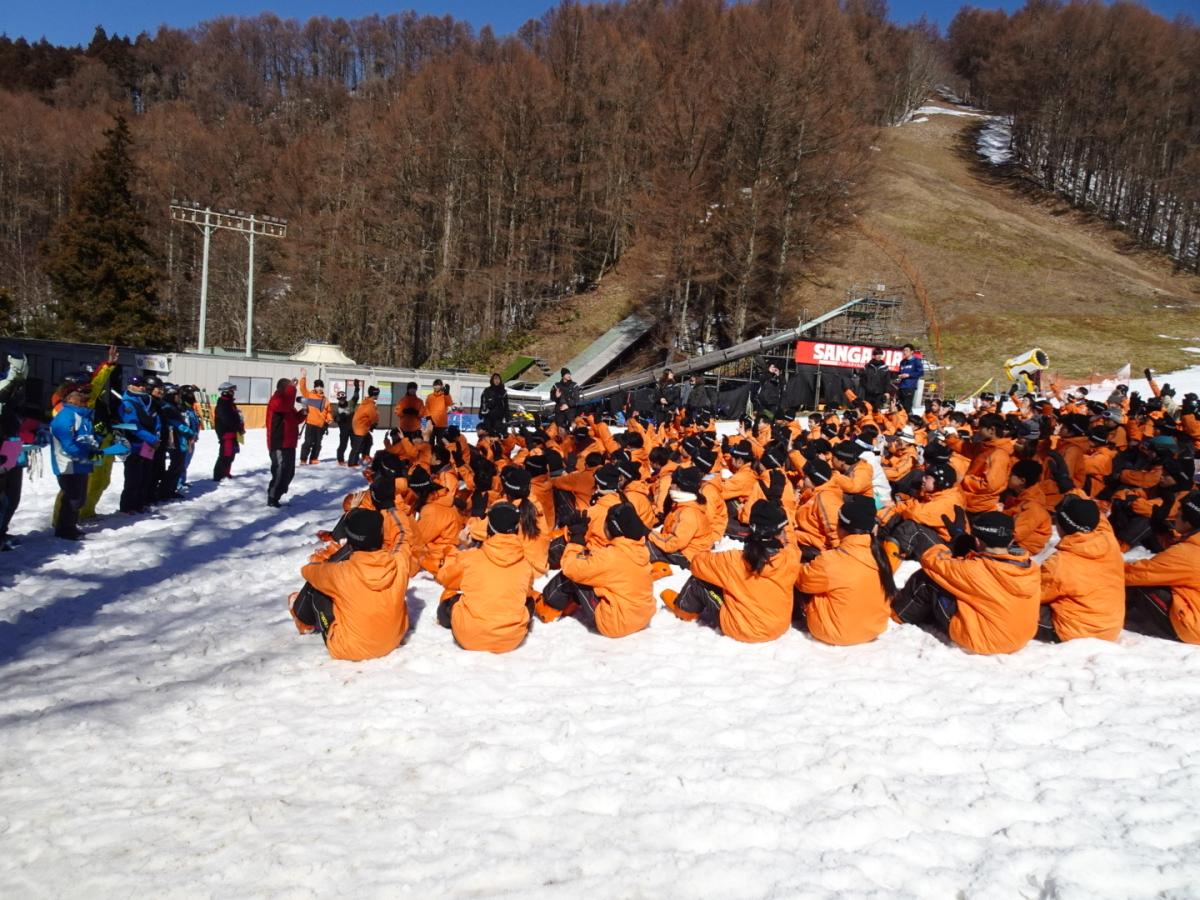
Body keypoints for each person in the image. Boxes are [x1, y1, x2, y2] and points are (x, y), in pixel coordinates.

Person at [892, 510, 1041, 654]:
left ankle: (900, 613)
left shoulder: (974, 570)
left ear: (976, 540)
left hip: (984, 640)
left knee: (930, 577)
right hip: (1020, 637)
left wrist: (952, 545)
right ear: (1011, 540)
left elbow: (933, 562)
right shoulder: (1030, 567)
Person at [661, 500, 801, 643]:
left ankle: (683, 610)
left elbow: (697, 564)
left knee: (699, 580)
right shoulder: (791, 557)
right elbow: (791, 542)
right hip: (778, 627)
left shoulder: (735, 561)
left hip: (743, 629)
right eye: (783, 530)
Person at [289, 508, 413, 661]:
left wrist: (331, 562)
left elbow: (307, 571)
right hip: (394, 638)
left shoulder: (340, 573)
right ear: (381, 537)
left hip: (350, 648)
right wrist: (391, 507)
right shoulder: (399, 562)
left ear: (350, 543)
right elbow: (404, 537)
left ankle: (303, 620)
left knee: (317, 587)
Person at [537, 503, 656, 638]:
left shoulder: (610, 558)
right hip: (642, 617)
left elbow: (571, 567)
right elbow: (598, 557)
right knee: (588, 570)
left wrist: (576, 539)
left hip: (616, 623)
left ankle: (548, 607)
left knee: (574, 576)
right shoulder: (638, 550)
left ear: (612, 529)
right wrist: (582, 544)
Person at [796, 495, 897, 645]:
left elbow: (802, 581)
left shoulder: (832, 560)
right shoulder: (880, 555)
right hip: (874, 628)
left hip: (836, 633)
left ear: (840, 527)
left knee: (808, 579)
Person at [435, 503, 535, 653]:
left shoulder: (471, 557)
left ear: (488, 528)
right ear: (517, 529)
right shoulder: (525, 564)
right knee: (528, 601)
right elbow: (525, 592)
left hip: (469, 636)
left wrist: (460, 549)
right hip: (510, 640)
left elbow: (445, 578)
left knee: (449, 601)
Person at [1037, 495, 1124, 642]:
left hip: (1078, 632)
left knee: (1011, 604)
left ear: (1062, 525)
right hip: (1110, 629)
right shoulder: (1109, 540)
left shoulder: (1060, 563)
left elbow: (1034, 593)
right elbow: (1098, 519)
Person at [1123, 491, 1200, 643]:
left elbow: (1138, 574)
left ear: (1190, 520)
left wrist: (1102, 567)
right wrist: (1162, 531)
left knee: (1140, 585)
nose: (1175, 515)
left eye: (1180, 511)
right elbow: (1179, 555)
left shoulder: (1187, 554)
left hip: (1193, 625)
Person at [50, 382, 124, 540]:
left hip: (83, 463)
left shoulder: (85, 416)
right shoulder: (65, 416)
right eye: (81, 395)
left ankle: (70, 525)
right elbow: (69, 444)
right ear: (70, 399)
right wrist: (89, 453)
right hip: (67, 464)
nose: (86, 398)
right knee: (73, 497)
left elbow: (92, 434)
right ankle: (64, 529)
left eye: (87, 395)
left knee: (80, 498)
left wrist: (102, 434)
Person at [117, 374, 160, 514]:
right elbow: (132, 426)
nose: (141, 387)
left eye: (143, 385)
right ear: (130, 386)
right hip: (134, 443)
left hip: (148, 444)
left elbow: (155, 418)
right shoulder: (127, 403)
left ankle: (139, 503)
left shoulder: (146, 400)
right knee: (133, 477)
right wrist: (152, 439)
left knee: (145, 475)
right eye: (137, 385)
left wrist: (157, 434)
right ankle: (127, 506)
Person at [0, 349, 29, 550]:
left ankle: (2, 530)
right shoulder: (6, 385)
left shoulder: (16, 388)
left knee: (12, 495)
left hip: (12, 444)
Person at [266, 378, 305, 508]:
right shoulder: (276, 400)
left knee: (289, 472)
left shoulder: (287, 404)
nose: (292, 390)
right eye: (289, 387)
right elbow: (283, 406)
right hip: (278, 443)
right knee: (280, 471)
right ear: (283, 388)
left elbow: (295, 420)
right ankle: (272, 498)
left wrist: (303, 413)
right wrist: (292, 388)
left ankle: (278, 495)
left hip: (289, 443)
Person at [297, 369, 333, 464]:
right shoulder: (309, 395)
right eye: (317, 386)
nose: (319, 388)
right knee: (308, 442)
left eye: (321, 386)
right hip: (310, 423)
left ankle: (313, 458)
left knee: (317, 443)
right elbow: (302, 388)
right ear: (315, 387)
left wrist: (329, 419)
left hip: (321, 425)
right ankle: (303, 459)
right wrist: (303, 377)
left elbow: (328, 411)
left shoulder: (325, 400)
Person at [213, 382, 244, 481]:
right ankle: (218, 475)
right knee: (225, 455)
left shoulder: (230, 403)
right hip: (226, 434)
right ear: (225, 392)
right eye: (231, 391)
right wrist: (237, 426)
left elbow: (234, 417)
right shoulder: (222, 404)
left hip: (233, 433)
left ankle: (226, 472)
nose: (233, 393)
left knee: (231, 455)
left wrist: (240, 426)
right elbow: (227, 419)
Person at [349, 385, 380, 467]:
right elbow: (373, 416)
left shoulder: (367, 402)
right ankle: (352, 463)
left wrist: (371, 424)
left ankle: (365, 455)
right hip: (360, 427)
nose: (378, 396)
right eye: (377, 394)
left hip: (361, 426)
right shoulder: (370, 404)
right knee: (357, 447)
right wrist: (374, 423)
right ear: (375, 394)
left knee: (369, 440)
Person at [333, 380, 360, 465]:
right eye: (340, 399)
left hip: (352, 428)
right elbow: (335, 419)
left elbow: (355, 397)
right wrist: (340, 418)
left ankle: (354, 460)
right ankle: (340, 460)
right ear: (338, 399)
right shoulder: (336, 409)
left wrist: (357, 388)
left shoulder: (350, 404)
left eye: (343, 399)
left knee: (354, 445)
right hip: (343, 430)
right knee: (343, 445)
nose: (342, 400)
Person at [896, 344, 924, 413]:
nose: (904, 352)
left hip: (910, 387)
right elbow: (900, 372)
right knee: (899, 406)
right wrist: (899, 376)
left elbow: (921, 373)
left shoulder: (916, 361)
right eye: (904, 350)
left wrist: (909, 375)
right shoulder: (902, 362)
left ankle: (908, 418)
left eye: (906, 350)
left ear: (912, 352)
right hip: (901, 387)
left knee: (907, 407)